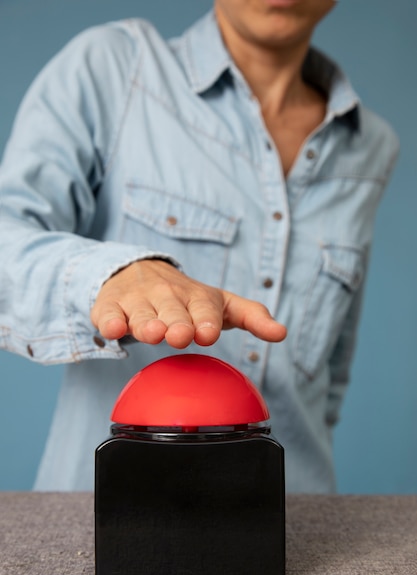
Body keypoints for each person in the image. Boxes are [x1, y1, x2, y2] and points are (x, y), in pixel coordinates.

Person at [0, 0, 398, 492]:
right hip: (107, 514)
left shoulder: (372, 145)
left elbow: (328, 378)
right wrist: (112, 273)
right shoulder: (114, 68)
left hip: (300, 524)